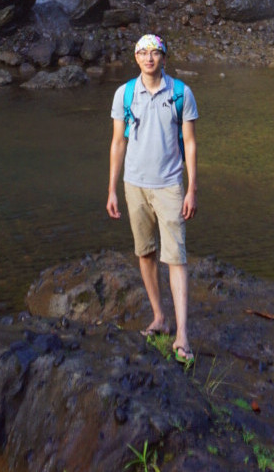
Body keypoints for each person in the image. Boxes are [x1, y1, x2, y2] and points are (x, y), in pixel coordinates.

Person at [107, 32, 198, 362]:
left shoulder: (180, 93)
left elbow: (189, 143)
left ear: (164, 57)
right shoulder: (125, 94)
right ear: (136, 58)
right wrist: (111, 189)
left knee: (175, 257)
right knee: (145, 252)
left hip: (170, 186)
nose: (149, 58)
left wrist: (192, 188)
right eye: (143, 53)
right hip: (134, 185)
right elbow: (118, 142)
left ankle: (183, 335)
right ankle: (160, 317)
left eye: (155, 53)